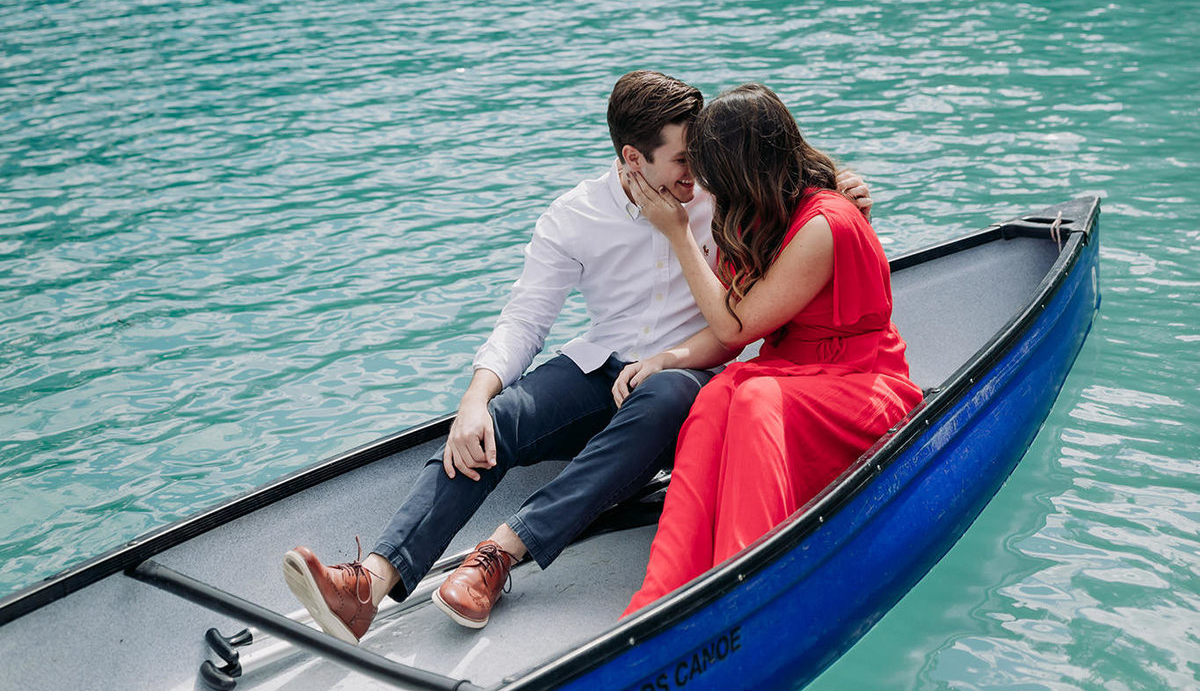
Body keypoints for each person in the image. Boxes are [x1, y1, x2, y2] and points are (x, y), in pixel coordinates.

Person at [283, 71, 872, 643]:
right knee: (498, 422)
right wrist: (473, 399)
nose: (698, 173)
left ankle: (497, 555)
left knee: (666, 394)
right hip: (602, 368)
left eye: (702, 157)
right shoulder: (575, 215)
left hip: (689, 377)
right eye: (684, 160)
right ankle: (369, 583)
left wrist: (846, 188)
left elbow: (785, 187)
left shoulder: (719, 197)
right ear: (632, 160)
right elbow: (525, 320)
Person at [619, 83, 921, 615]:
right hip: (794, 371)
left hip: (864, 380)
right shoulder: (755, 214)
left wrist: (679, 237)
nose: (702, 183)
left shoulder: (825, 223)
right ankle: (661, 593)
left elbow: (738, 328)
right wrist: (668, 357)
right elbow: (734, 324)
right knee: (714, 400)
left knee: (754, 396)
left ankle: (746, 582)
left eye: (711, 169)